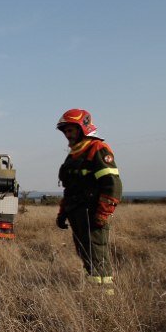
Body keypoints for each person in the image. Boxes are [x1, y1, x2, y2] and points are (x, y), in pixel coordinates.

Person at [55, 110, 122, 295]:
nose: (67, 135)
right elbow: (70, 188)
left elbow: (112, 184)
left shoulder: (98, 149)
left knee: (97, 253)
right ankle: (92, 291)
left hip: (92, 212)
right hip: (76, 212)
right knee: (85, 252)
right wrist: (63, 212)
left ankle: (106, 296)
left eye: (71, 130)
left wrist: (102, 213)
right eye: (65, 131)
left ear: (83, 128)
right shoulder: (74, 154)